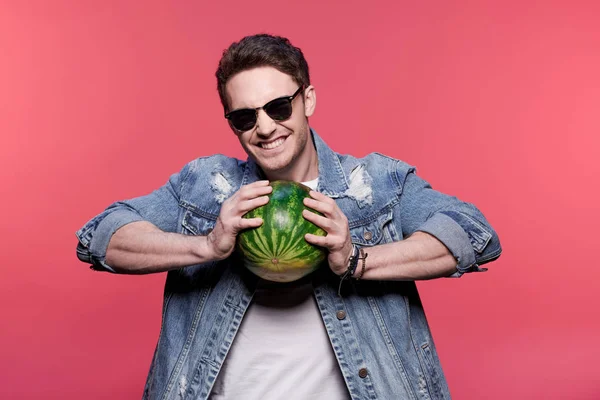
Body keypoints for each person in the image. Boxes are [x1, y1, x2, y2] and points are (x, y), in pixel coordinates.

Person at [76, 34, 502, 400]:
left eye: (279, 107)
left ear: (308, 99)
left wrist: (356, 259)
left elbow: (473, 234)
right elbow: (100, 237)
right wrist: (206, 245)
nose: (264, 127)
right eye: (245, 116)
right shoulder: (206, 185)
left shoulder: (375, 182)